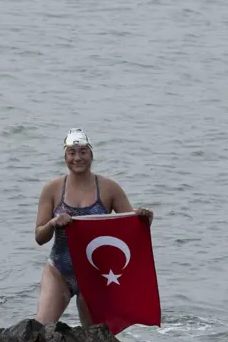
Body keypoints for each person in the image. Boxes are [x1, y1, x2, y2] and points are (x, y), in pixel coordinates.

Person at [34, 129, 153, 326]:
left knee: (94, 338)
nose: (77, 158)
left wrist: (145, 219)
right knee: (41, 329)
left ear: (91, 155)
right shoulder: (53, 189)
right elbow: (39, 237)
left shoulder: (109, 188)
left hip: (96, 276)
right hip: (59, 271)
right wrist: (53, 223)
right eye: (72, 153)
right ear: (65, 157)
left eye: (83, 152)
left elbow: (131, 230)